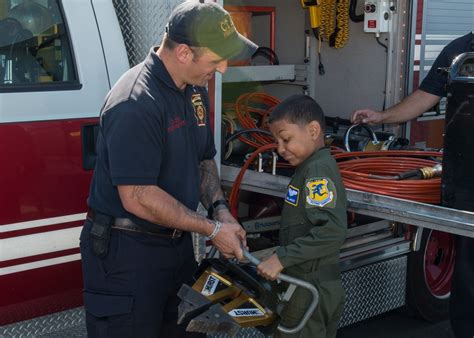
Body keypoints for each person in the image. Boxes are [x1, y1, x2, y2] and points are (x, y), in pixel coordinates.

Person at [79, 1, 258, 337]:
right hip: (126, 256)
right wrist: (212, 231)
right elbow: (138, 197)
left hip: (175, 250)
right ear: (185, 53)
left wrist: (221, 213)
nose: (222, 69)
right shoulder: (135, 102)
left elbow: (203, 159)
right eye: (216, 59)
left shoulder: (192, 91)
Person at [351, 32, 474, 338]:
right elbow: (425, 96)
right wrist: (381, 117)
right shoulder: (460, 50)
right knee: (469, 269)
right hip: (468, 179)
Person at [257, 94, 348, 338]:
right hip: (308, 285)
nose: (280, 148)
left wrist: (281, 259)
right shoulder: (309, 168)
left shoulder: (317, 170)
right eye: (276, 141)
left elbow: (331, 230)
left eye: (286, 139)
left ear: (313, 130)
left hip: (309, 288)